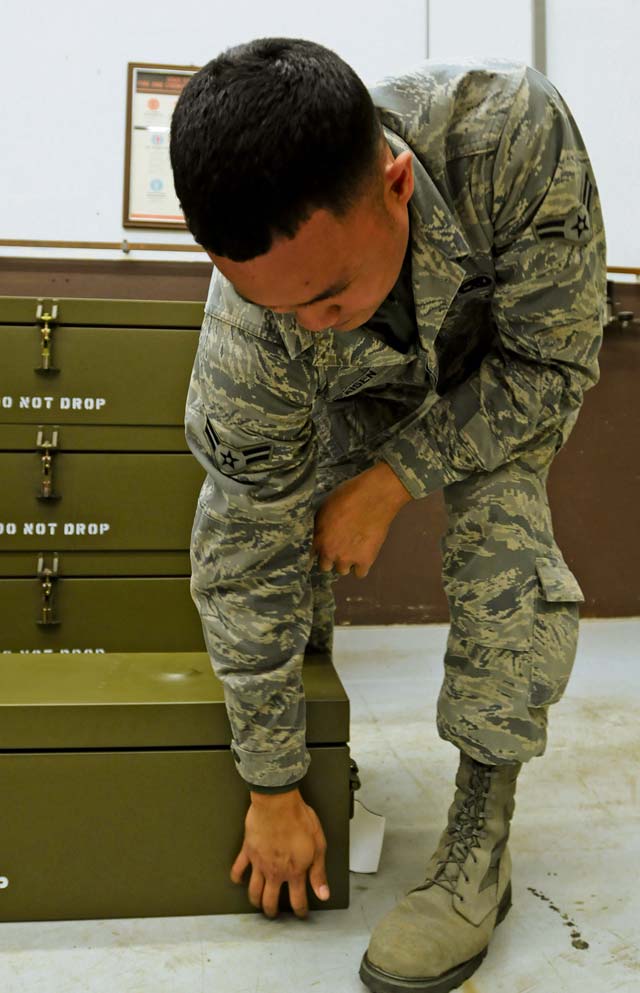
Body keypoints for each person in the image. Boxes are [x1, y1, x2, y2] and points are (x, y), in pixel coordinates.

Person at [169, 37, 605, 993]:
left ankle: (474, 850)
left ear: (397, 185)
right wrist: (274, 782)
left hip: (494, 374)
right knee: (285, 541)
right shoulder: (257, 332)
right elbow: (243, 549)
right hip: (350, 395)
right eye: (275, 307)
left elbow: (552, 367)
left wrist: (395, 478)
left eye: (326, 296)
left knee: (503, 532)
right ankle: (325, 763)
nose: (303, 321)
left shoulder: (512, 141)